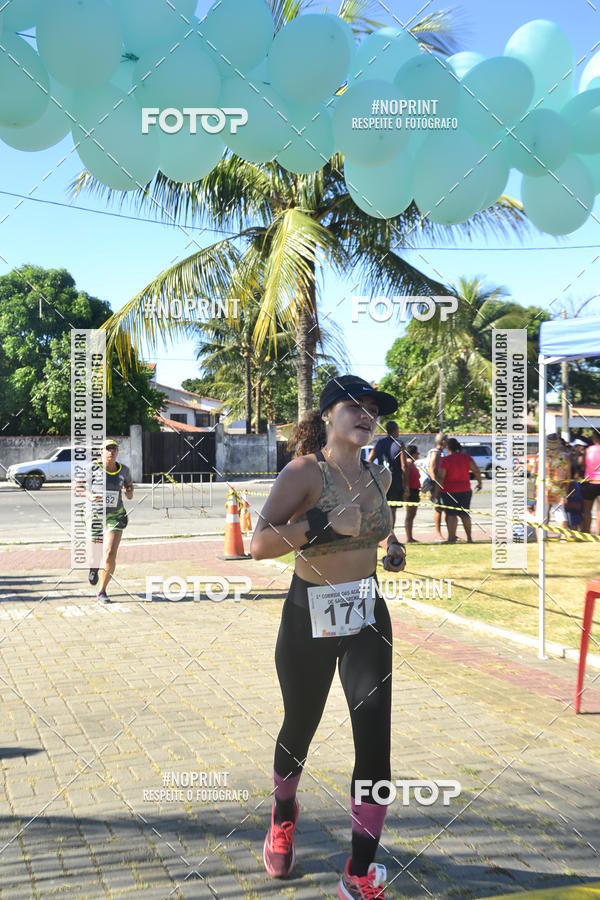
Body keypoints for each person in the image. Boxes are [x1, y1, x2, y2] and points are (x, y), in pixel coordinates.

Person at [251, 375, 407, 900]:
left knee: (375, 741)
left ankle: (359, 872)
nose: (366, 414)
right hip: (307, 616)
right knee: (300, 725)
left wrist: (391, 547)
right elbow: (258, 545)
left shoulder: (379, 474)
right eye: (354, 406)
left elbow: (377, 526)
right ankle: (283, 812)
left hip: (366, 614)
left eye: (372, 409)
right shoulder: (303, 472)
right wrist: (319, 523)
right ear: (326, 416)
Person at [86, 439, 133, 602]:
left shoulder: (124, 470)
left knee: (110, 553)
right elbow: (78, 486)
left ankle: (102, 591)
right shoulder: (93, 468)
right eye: (108, 449)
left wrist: (129, 491)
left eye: (114, 449)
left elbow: (129, 485)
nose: (111, 452)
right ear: (102, 452)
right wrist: (90, 496)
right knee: (95, 555)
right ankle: (93, 568)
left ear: (117, 452)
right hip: (96, 515)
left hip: (116, 515)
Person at [436, 438, 482, 543]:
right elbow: (476, 470)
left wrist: (436, 493)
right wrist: (479, 483)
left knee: (451, 514)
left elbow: (441, 477)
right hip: (465, 490)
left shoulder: (446, 460)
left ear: (448, 447)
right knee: (465, 514)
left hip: (449, 491)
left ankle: (451, 538)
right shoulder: (467, 458)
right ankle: (469, 538)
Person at [367, 421, 405, 528]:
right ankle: (390, 533)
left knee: (381, 508)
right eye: (398, 429)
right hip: (395, 480)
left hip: (381, 480)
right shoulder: (400, 444)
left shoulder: (379, 443)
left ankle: (380, 532)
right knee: (392, 509)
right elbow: (404, 467)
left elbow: (369, 461)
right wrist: (406, 485)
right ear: (395, 430)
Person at [426, 433, 447, 542]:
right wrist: (435, 485)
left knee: (445, 509)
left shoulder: (442, 452)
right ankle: (438, 534)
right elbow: (431, 468)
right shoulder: (435, 452)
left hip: (444, 484)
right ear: (442, 441)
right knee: (438, 509)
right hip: (437, 485)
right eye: (446, 440)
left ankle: (449, 533)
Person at [582, 431, 600, 534]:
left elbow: (583, 464)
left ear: (595, 439)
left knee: (587, 509)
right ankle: (598, 533)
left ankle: (586, 532)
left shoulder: (588, 450)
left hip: (590, 481)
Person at [403, 444, 421, 543]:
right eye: (417, 453)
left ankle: (410, 536)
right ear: (413, 454)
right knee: (410, 515)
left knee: (412, 515)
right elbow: (406, 478)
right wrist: (407, 490)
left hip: (415, 490)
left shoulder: (412, 464)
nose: (418, 454)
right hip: (411, 491)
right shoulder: (408, 464)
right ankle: (409, 537)